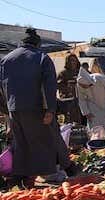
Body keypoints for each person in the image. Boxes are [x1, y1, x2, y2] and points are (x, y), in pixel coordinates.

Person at [0, 28, 71, 186]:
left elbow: (1, 88)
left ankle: (20, 176)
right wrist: (50, 110)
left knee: (21, 143)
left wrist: (7, 112)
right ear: (37, 44)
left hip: (14, 109)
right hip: (36, 108)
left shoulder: (6, 60)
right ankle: (50, 175)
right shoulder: (41, 57)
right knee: (44, 141)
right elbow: (49, 86)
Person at [77, 67, 105, 140]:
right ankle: (96, 143)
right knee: (94, 129)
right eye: (82, 86)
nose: (84, 87)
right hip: (93, 108)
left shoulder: (100, 78)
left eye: (85, 86)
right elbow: (81, 99)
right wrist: (86, 112)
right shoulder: (79, 85)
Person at [57, 53, 83, 124]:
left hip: (81, 99)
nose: (73, 62)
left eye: (74, 60)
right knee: (69, 119)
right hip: (68, 100)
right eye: (71, 60)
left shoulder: (80, 72)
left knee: (80, 118)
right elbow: (59, 85)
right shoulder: (63, 73)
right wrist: (69, 87)